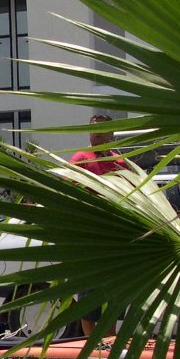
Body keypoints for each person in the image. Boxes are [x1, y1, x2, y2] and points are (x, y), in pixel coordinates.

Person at [69, 114, 126, 335]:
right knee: (88, 296)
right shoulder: (81, 158)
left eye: (103, 131)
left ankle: (109, 340)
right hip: (89, 239)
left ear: (112, 134)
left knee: (114, 295)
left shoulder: (120, 162)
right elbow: (67, 191)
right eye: (94, 131)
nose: (98, 135)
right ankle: (91, 342)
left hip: (115, 239)